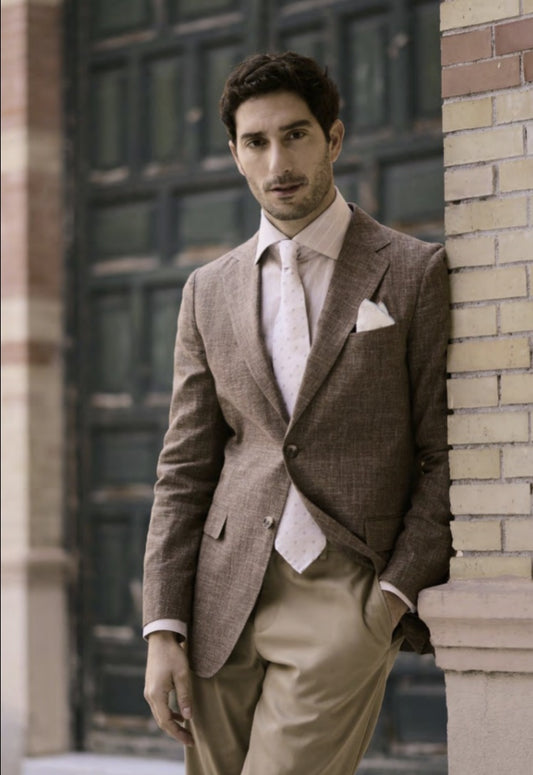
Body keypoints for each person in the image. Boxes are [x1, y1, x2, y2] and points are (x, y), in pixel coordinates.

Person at [143, 51, 452, 775]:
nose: (277, 160)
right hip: (222, 594)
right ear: (235, 154)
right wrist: (163, 627)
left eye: (296, 134)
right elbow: (184, 465)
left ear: (333, 138)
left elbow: (442, 452)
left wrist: (390, 597)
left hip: (345, 595)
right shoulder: (207, 290)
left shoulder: (410, 271)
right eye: (256, 142)